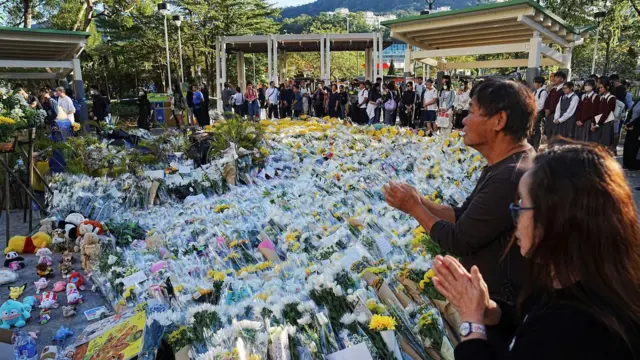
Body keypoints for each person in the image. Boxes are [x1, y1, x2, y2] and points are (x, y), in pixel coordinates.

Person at [434, 141, 640, 360]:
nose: (515, 219)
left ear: (555, 219)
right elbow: (525, 323)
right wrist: (490, 311)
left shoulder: (575, 328)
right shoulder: (571, 280)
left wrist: (471, 321)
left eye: (522, 206)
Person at [383, 79, 535, 304]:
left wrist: (414, 208)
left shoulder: (510, 177)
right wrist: (417, 200)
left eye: (471, 112)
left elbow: (458, 239)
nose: (463, 119)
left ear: (499, 120)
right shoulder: (506, 164)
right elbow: (462, 215)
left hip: (499, 306)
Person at [590, 78, 616, 147]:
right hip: (598, 122)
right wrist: (593, 122)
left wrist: (597, 124)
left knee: (604, 145)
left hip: (606, 123)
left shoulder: (611, 98)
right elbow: (595, 111)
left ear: (607, 87)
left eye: (601, 87)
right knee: (595, 143)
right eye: (599, 87)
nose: (599, 89)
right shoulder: (601, 97)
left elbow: (606, 113)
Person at [543, 71, 566, 140]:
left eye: (557, 77)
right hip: (548, 114)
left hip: (556, 115)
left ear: (562, 79)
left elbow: (560, 104)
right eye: (555, 77)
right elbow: (547, 100)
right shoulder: (553, 89)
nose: (554, 79)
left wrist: (550, 110)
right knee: (548, 132)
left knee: (555, 133)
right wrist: (546, 109)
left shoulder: (564, 90)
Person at [527, 77, 547, 150]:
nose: (534, 84)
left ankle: (536, 147)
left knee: (537, 130)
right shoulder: (535, 92)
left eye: (535, 83)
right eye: (534, 82)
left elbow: (541, 105)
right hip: (533, 112)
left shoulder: (543, 92)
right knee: (531, 129)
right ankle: (531, 146)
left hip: (538, 113)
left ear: (540, 84)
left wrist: (534, 109)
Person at [623, 99, 640, 170]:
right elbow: (630, 112)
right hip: (630, 126)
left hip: (638, 127)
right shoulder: (638, 100)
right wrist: (626, 123)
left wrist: (631, 124)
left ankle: (634, 165)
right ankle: (626, 164)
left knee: (635, 146)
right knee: (627, 145)